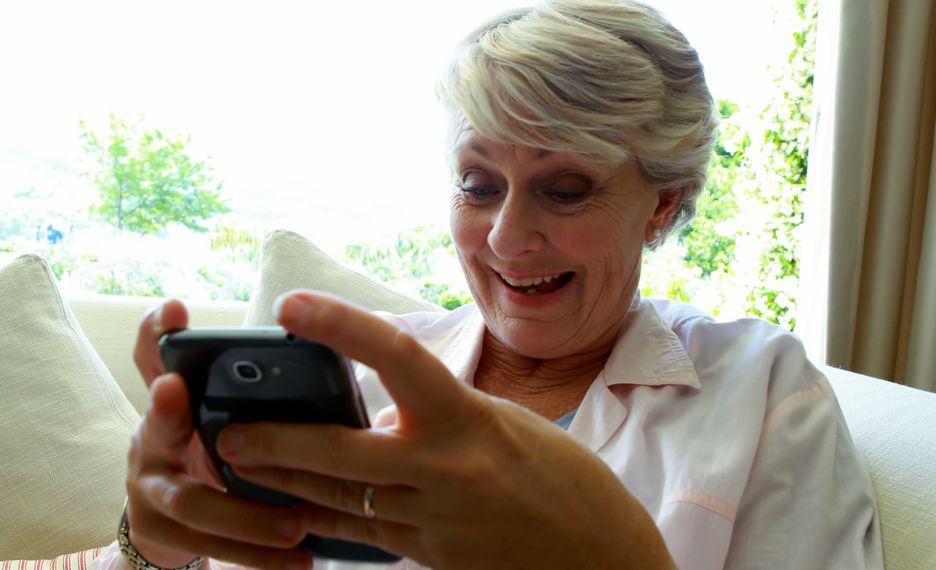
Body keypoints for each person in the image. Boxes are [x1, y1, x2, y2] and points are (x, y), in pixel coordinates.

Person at [95, 1, 882, 568]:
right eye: (478, 184)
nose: (506, 237)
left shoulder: (758, 388)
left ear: (662, 204)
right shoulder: (359, 376)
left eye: (566, 188)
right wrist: (153, 547)